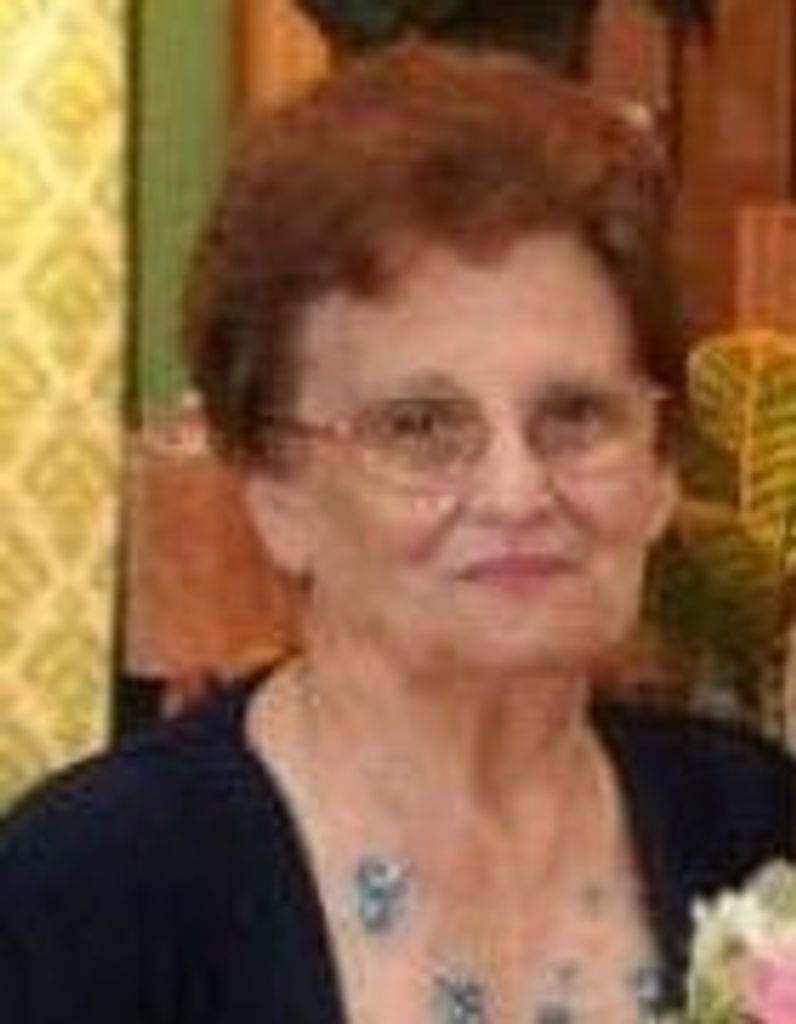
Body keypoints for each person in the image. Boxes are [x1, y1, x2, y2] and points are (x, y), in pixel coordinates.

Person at [2, 42, 793, 1024]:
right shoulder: (90, 890)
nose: (516, 492)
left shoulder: (752, 824)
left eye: (576, 415)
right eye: (420, 427)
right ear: (276, 489)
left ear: (661, 465)